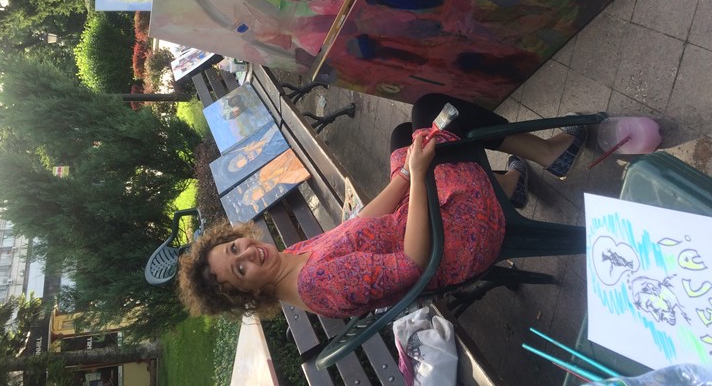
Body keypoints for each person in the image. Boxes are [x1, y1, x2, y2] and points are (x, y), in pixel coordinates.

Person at [178, 93, 588, 320]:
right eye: (240, 269)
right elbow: (412, 264)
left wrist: (406, 175)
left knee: (404, 134)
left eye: (234, 247)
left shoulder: (291, 259)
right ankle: (552, 154)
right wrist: (420, 176)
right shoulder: (319, 285)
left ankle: (511, 186)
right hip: (455, 243)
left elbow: (359, 223)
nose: (248, 253)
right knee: (432, 111)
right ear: (247, 293)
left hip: (419, 222)